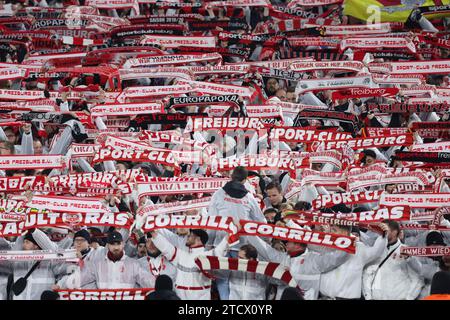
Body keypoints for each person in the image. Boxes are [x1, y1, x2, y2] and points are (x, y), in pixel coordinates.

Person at [207, 166, 266, 299]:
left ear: (231, 177)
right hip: (241, 247)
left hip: (221, 244)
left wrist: (209, 244)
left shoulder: (218, 194)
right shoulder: (249, 198)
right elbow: (262, 222)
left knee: (222, 280)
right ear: (245, 180)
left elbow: (211, 221)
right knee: (237, 282)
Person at [149, 228, 230, 300]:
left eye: (190, 235)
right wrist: (152, 232)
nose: (187, 237)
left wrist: (232, 232)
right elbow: (166, 247)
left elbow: (222, 247)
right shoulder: (181, 255)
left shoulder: (208, 256)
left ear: (198, 239)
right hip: (179, 297)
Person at [319, 223, 388, 300]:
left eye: (334, 230)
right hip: (324, 297)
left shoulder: (358, 248)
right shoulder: (326, 246)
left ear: (345, 233)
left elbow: (376, 251)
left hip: (347, 298)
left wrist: (382, 235)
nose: (331, 233)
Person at [362, 220, 424, 300]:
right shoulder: (375, 250)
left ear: (394, 232)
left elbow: (417, 278)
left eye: (385, 230)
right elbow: (367, 275)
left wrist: (409, 297)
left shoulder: (406, 250)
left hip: (399, 297)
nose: (382, 232)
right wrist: (368, 297)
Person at [68, 231, 154, 289]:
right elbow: (77, 279)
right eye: (112, 244)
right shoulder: (97, 264)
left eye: (118, 244)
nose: (116, 247)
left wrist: (161, 286)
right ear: (108, 245)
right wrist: (61, 285)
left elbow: (148, 281)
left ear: (123, 244)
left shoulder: (133, 264)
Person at [0, 229, 67, 300]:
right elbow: (6, 246)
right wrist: (21, 232)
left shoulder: (48, 260)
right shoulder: (18, 260)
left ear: (36, 246)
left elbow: (53, 251)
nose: (23, 245)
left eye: (27, 242)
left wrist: (34, 231)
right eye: (23, 242)